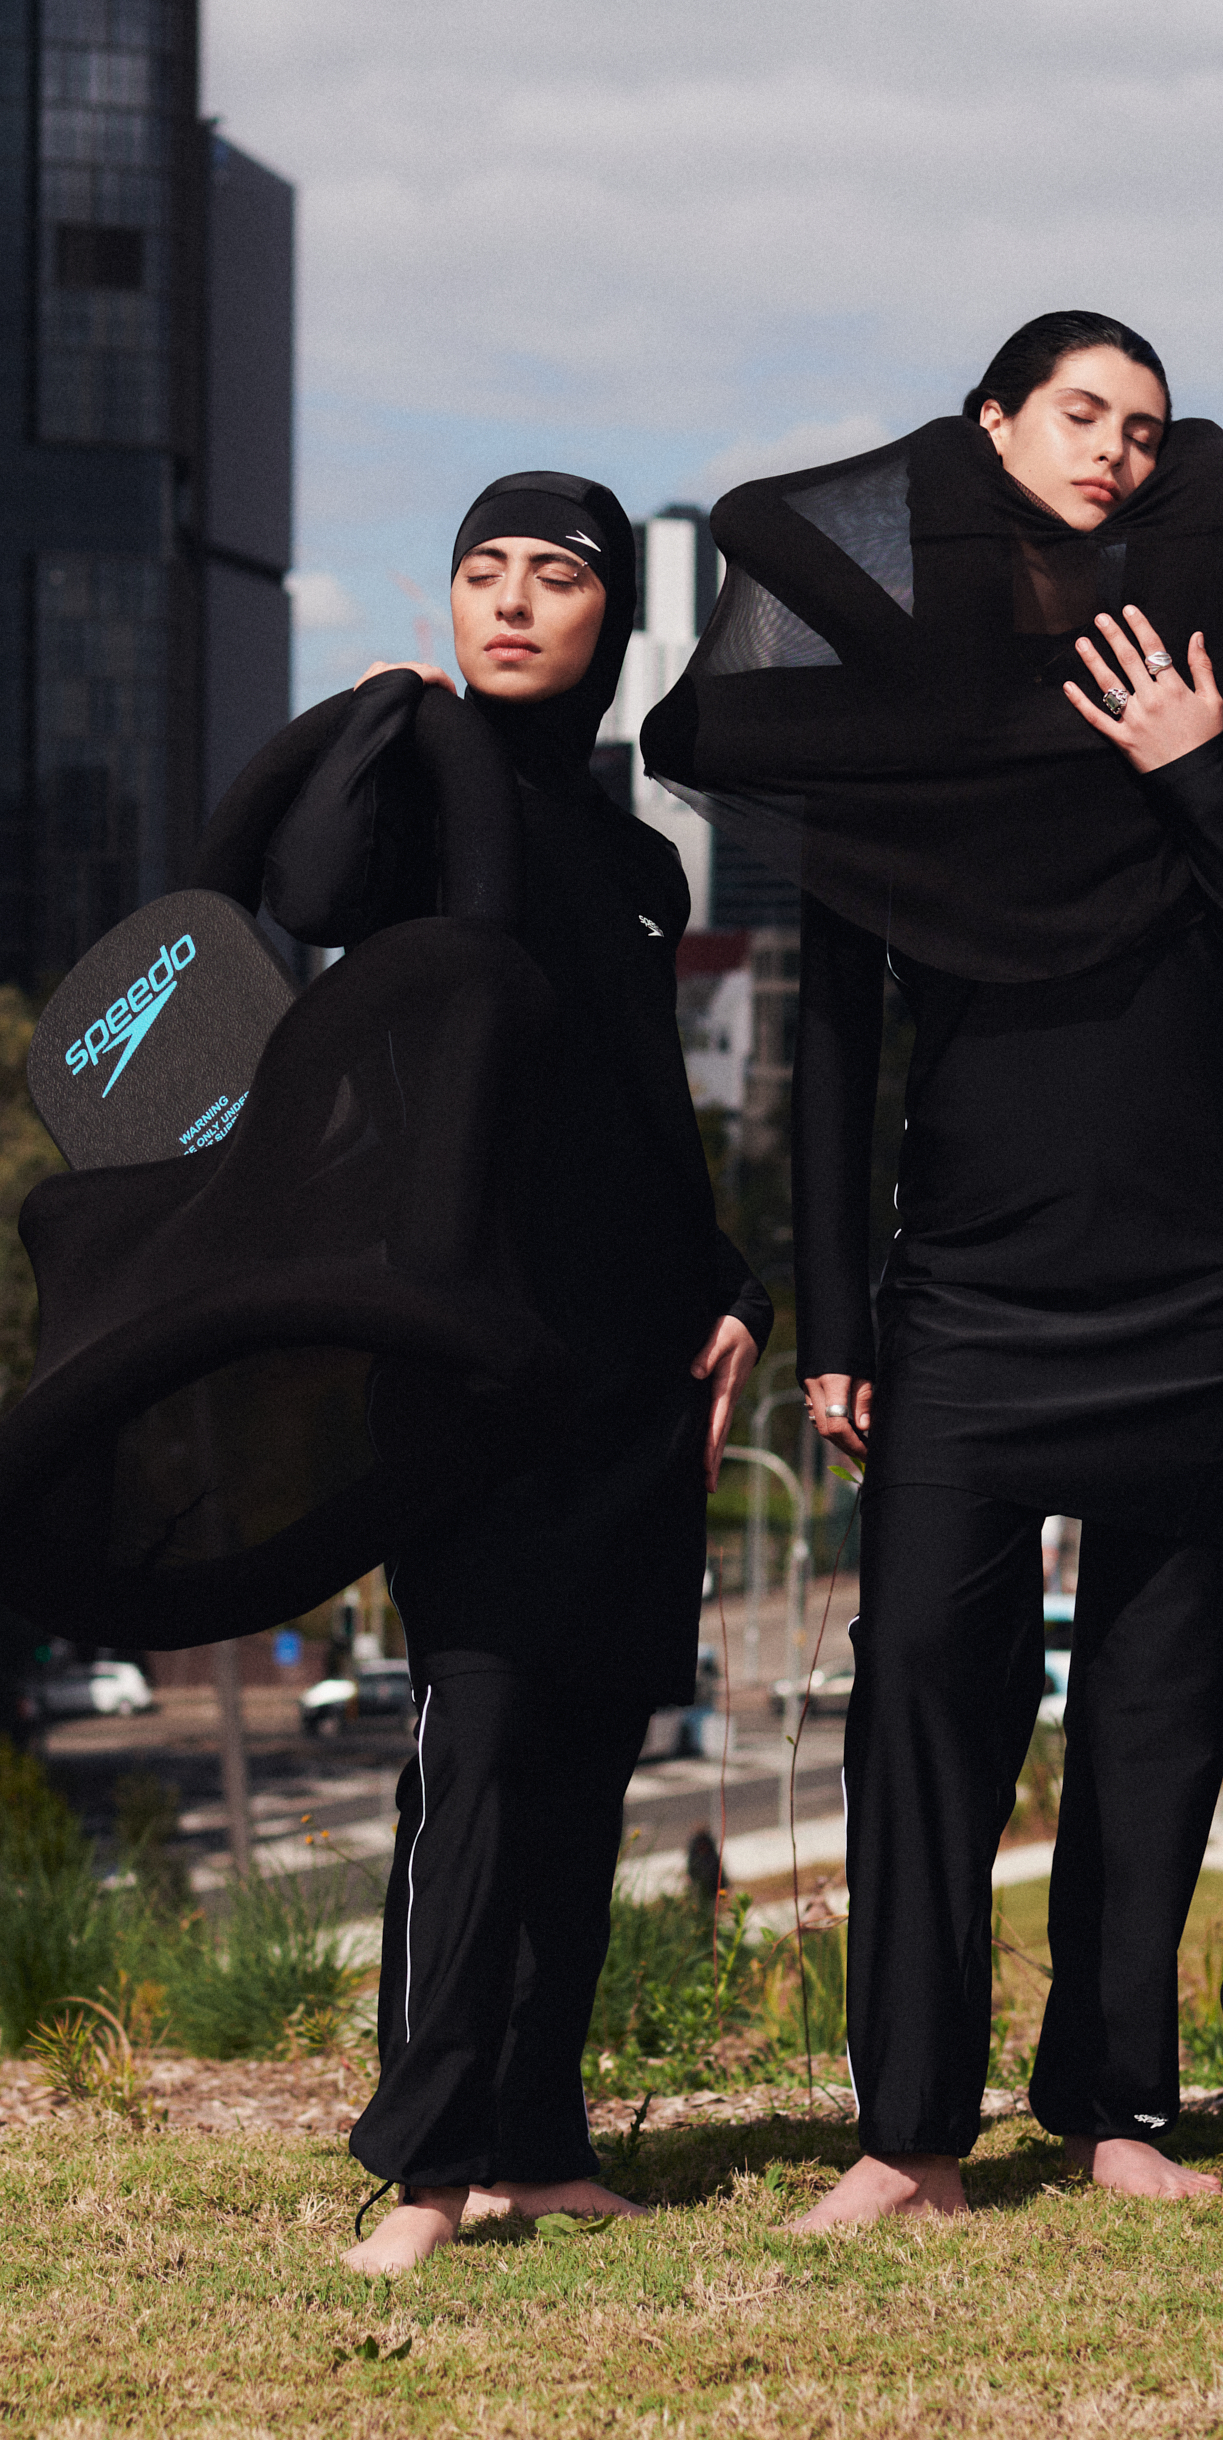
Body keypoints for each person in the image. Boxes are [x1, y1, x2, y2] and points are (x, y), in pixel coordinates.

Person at [640, 313, 1223, 2223]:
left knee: (1164, 1706)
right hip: (971, 1292)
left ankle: (1118, 2110)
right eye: (1079, 412)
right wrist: (836, 1317)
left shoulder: (1204, 682)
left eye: (1146, 429)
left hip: (1206, 1284)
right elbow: (828, 1048)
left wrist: (1193, 764)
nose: (1114, 448)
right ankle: (907, 2136)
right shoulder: (888, 712)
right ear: (990, 429)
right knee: (925, 1684)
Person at [239, 474, 769, 2275]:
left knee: (592, 1753)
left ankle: (540, 2134)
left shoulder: (640, 865)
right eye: (489, 573)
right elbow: (292, 896)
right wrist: (383, 721)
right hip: (471, 1358)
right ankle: (427, 2159)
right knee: (474, 1739)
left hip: (634, 1359)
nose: (520, 602)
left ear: (613, 622)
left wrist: (733, 1291)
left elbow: (644, 1111)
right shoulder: (412, 793)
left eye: (560, 578)